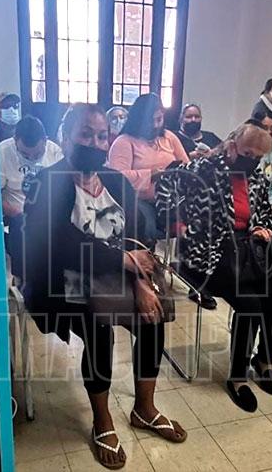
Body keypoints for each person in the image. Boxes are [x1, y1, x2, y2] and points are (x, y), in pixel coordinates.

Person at [22, 104, 187, 469]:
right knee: (98, 329)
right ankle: (102, 420)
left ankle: (144, 409)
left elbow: (138, 238)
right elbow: (57, 244)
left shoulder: (115, 181)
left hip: (117, 274)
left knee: (152, 317)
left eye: (101, 136)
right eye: (85, 134)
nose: (95, 143)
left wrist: (141, 281)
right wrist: (122, 260)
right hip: (62, 281)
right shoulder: (45, 182)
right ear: (66, 137)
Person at [157, 122, 272, 413]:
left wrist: (262, 228)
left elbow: (264, 213)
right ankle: (238, 377)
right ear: (231, 145)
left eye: (257, 157)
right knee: (250, 303)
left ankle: (264, 362)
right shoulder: (205, 169)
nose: (251, 161)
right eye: (247, 154)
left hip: (248, 255)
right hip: (208, 256)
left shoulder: (256, 177)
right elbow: (165, 182)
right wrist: (176, 224)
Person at [108, 93, 190, 241]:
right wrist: (150, 175)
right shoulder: (124, 142)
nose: (155, 125)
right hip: (140, 200)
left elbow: (187, 166)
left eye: (159, 119)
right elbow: (116, 178)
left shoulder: (169, 137)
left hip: (172, 199)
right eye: (149, 121)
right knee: (147, 229)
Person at [0, 115, 63, 279]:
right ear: (15, 141)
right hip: (16, 216)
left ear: (45, 140)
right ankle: (22, 280)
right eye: (26, 155)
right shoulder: (2, 152)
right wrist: (17, 212)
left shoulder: (55, 152)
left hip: (48, 215)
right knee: (22, 228)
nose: (32, 159)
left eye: (38, 154)